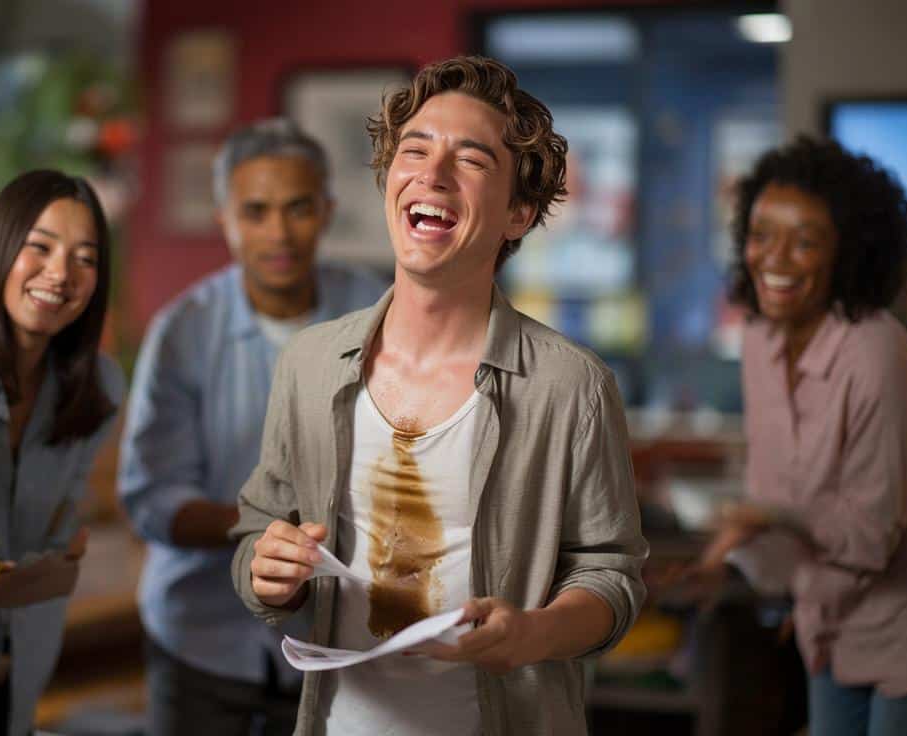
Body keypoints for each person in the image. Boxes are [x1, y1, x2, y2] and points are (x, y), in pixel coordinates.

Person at [230, 56, 647, 735]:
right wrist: (267, 572)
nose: (432, 174)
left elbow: (613, 578)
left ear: (519, 212)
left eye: (472, 160)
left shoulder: (573, 386)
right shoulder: (308, 364)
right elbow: (257, 531)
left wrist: (534, 633)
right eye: (415, 151)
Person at [119, 118, 387, 735]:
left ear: (327, 209)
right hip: (199, 641)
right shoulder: (182, 330)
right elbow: (150, 500)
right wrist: (267, 535)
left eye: (297, 208)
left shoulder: (377, 313)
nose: (278, 232)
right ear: (225, 220)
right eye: (256, 211)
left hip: (342, 642)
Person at [689, 136, 907, 735]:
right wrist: (740, 561)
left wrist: (760, 522)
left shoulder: (879, 351)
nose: (775, 258)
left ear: (849, 253)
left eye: (805, 241)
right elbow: (776, 487)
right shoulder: (759, 335)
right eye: (761, 233)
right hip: (824, 625)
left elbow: (871, 535)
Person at [0, 170, 126, 736]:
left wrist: (46, 574)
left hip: (23, 658)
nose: (60, 274)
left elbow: (62, 539)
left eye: (85, 258)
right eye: (38, 247)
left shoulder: (100, 388)